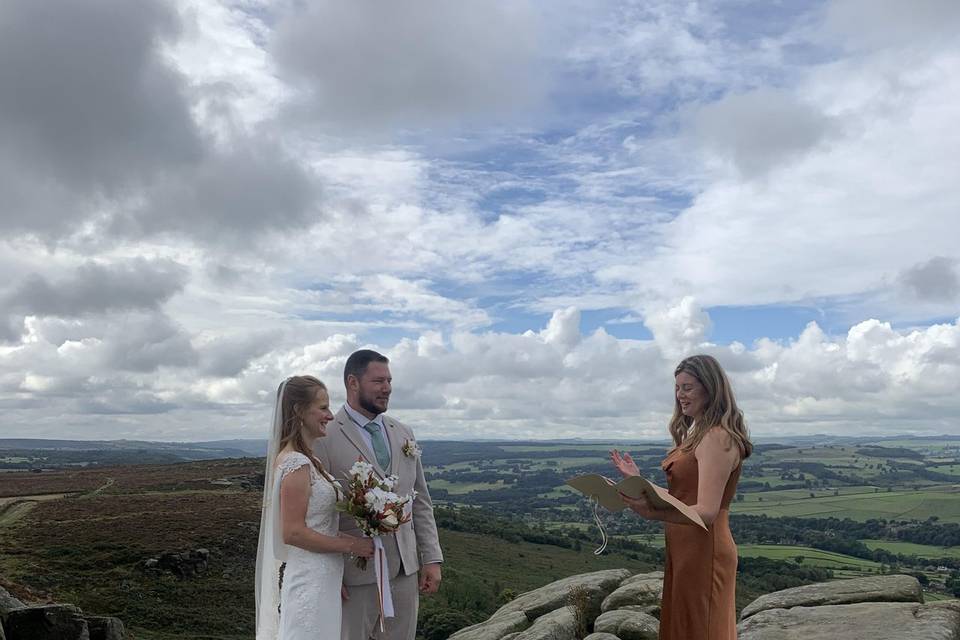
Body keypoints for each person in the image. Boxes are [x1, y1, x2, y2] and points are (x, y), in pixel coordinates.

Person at [610, 354, 752, 640]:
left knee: (703, 630)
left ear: (710, 387)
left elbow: (707, 511)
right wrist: (639, 482)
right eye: (677, 388)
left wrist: (654, 513)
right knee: (685, 629)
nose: (680, 395)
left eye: (687, 387)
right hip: (685, 547)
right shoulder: (698, 433)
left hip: (704, 547)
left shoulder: (717, 437)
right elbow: (682, 497)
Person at [315, 349, 443, 640]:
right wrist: (326, 574)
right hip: (352, 574)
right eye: (378, 381)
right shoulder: (325, 434)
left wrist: (432, 558)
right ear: (353, 382)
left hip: (403, 571)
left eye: (389, 380)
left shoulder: (403, 432)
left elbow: (420, 500)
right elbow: (318, 510)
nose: (387, 388)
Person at [255, 375, 375, 640]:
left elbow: (321, 526)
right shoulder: (296, 464)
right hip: (310, 581)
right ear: (299, 410)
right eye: (322, 408)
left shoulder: (310, 460)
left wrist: (361, 540)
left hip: (325, 579)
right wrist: (352, 546)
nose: (330, 416)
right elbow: (293, 533)